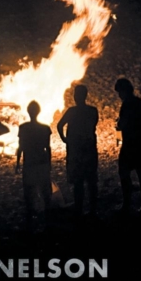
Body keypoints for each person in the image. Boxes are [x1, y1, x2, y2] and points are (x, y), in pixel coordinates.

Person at [57, 84, 98, 217]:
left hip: (76, 150)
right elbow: (93, 125)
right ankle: (93, 210)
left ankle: (79, 209)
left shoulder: (72, 111)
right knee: (91, 181)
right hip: (89, 149)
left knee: (78, 181)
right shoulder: (93, 111)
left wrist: (64, 139)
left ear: (76, 96)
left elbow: (59, 125)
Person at [114, 78, 141, 214]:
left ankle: (127, 205)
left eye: (119, 92)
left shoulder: (127, 104)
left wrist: (118, 126)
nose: (119, 95)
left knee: (124, 172)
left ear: (124, 91)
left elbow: (123, 124)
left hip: (133, 144)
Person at [16, 101, 52, 220]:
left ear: (28, 112)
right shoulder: (45, 128)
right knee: (45, 188)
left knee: (28, 189)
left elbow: (20, 146)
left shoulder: (23, 128)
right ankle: (47, 212)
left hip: (29, 161)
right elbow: (47, 147)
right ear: (39, 112)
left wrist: (18, 163)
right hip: (42, 160)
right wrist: (49, 163)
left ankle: (30, 213)